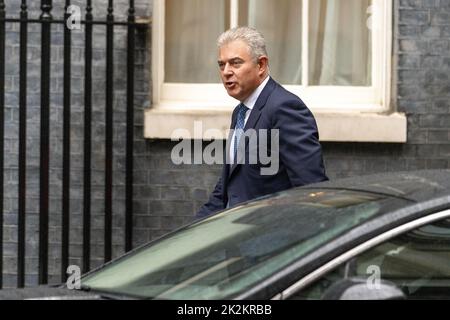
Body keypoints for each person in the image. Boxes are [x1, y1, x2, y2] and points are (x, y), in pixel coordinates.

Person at [196, 26, 328, 218]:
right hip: (234, 236)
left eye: (235, 63)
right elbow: (228, 186)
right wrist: (189, 232)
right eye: (221, 64)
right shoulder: (240, 112)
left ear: (261, 66)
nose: (226, 72)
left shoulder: (285, 108)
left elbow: (310, 190)